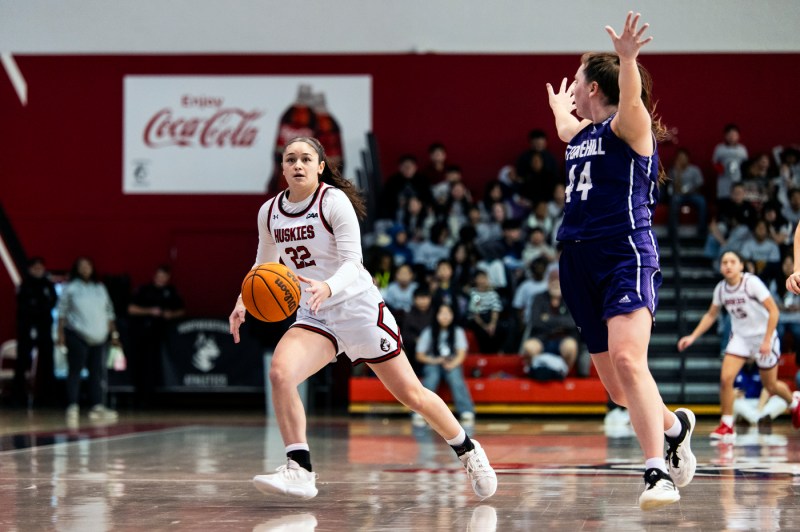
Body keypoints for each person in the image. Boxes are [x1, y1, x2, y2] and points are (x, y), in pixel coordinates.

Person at [229, 136, 496, 501]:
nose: (298, 164)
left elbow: (354, 264)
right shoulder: (270, 212)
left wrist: (327, 288)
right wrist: (243, 300)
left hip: (358, 310)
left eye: (306, 158)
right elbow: (264, 264)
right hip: (316, 315)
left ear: (320, 166)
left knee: (412, 395)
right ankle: (299, 469)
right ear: (283, 167)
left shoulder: (332, 201)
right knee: (280, 373)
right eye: (290, 158)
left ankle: (468, 449)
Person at [545, 12, 696, 510]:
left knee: (632, 361)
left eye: (579, 76)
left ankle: (657, 472)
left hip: (623, 252)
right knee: (616, 390)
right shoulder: (582, 133)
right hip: (577, 261)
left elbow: (630, 98)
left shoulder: (629, 126)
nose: (574, 83)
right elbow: (567, 128)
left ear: (592, 87)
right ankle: (675, 427)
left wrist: (628, 59)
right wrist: (557, 110)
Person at [678, 251, 800, 439]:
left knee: (771, 385)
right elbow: (711, 314)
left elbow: (774, 310)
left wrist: (767, 340)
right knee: (726, 379)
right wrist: (693, 336)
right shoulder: (721, 289)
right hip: (741, 338)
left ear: (741, 266)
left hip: (763, 336)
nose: (728, 265)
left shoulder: (751, 283)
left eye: (732, 261)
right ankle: (726, 425)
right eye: (724, 262)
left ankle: (794, 402)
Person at [57, 256, 120, 424]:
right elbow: (62, 312)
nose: (85, 269)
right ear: (76, 269)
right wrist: (60, 334)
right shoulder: (71, 288)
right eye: (82, 266)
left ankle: (97, 406)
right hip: (77, 334)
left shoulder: (100, 288)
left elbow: (109, 312)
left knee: (97, 372)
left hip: (99, 336)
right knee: (75, 370)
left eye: (88, 266)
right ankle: (72, 406)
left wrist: (114, 334)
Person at [127, 264, 185, 406]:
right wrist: (150, 311)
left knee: (157, 366)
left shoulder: (171, 292)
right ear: (154, 275)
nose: (161, 279)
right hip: (142, 334)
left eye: (164, 276)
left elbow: (182, 310)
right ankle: (140, 398)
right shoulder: (144, 290)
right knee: (142, 366)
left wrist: (170, 314)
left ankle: (154, 398)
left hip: (162, 336)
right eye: (159, 275)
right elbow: (131, 309)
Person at [413, 303, 476, 428]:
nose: (445, 317)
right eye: (442, 314)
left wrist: (452, 364)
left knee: (455, 377)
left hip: (451, 362)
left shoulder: (457, 331)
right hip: (433, 362)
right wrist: (436, 361)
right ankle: (421, 410)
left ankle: (466, 410)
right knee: (431, 377)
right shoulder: (429, 331)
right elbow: (419, 355)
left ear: (453, 316)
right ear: (436, 316)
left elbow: (461, 354)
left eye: (448, 314)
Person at [12, 257, 58, 408]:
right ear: (30, 269)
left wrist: (42, 311)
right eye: (35, 267)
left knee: (47, 362)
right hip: (27, 328)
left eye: (41, 267)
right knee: (22, 361)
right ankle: (18, 397)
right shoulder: (25, 285)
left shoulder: (48, 285)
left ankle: (47, 397)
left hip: (44, 328)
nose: (38, 270)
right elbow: (24, 305)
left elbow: (53, 302)